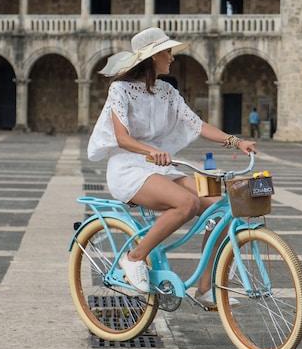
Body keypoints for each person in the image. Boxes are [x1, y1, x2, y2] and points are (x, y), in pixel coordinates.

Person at [87, 27, 258, 307]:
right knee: (185, 203)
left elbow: (197, 124)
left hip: (163, 167)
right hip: (130, 169)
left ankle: (205, 287)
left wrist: (235, 141)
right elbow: (122, 138)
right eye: (167, 52)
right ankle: (135, 257)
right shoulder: (120, 90)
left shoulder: (167, 91)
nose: (172, 57)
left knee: (217, 205)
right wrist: (151, 151)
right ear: (152, 57)